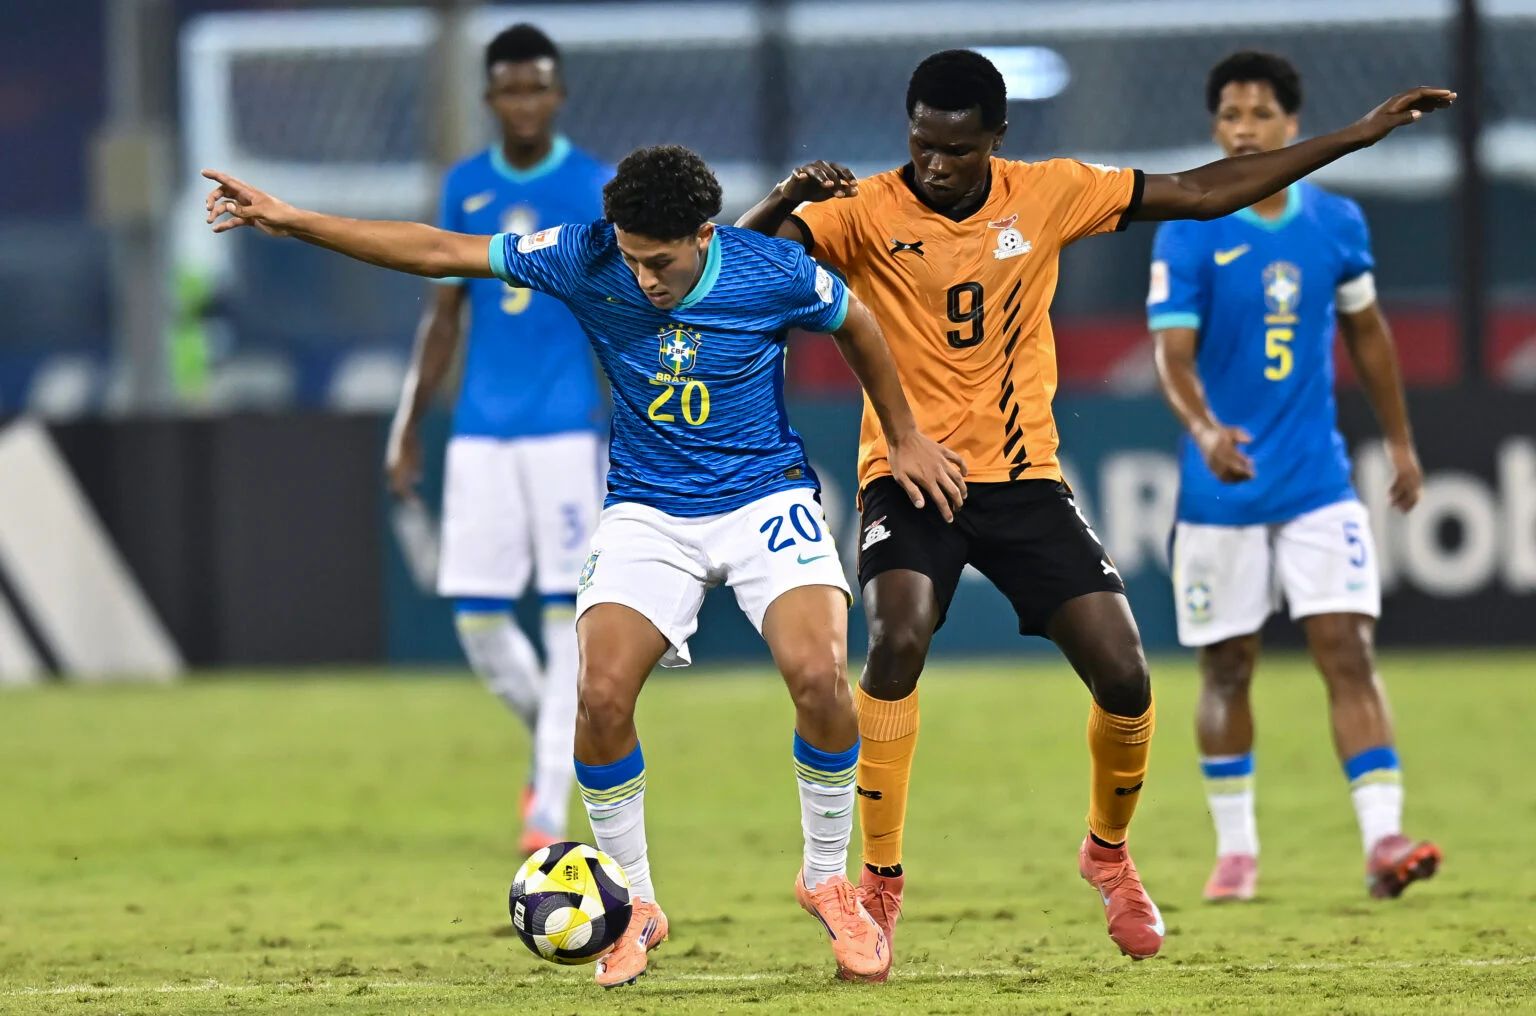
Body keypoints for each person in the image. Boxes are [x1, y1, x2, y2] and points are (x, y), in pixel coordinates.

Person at [736, 47, 1451, 965]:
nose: (935, 165)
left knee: (1126, 675)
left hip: (1026, 480)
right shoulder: (864, 208)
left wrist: (1354, 136)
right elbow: (740, 267)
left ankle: (1108, 857)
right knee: (899, 635)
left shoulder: (1051, 192)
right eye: (921, 145)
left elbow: (1200, 191)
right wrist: (786, 201)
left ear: (998, 136)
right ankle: (879, 879)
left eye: (956, 148)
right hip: (909, 477)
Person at [203, 143, 966, 987]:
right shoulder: (585, 253)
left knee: (821, 679)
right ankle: (635, 903)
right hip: (647, 510)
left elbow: (857, 321)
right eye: (632, 258)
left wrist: (903, 436)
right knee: (599, 696)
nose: (643, 278)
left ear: (705, 235)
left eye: (661, 260)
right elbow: (438, 250)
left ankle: (827, 877)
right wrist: (293, 219)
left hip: (764, 498)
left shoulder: (774, 269)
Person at [1148, 51, 1440, 902]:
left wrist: (1402, 442)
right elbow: (1171, 355)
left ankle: (1385, 842)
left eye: (1259, 115)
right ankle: (1236, 852)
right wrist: (1204, 429)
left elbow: (1369, 333)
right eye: (1229, 116)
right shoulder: (1188, 226)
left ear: (1290, 125)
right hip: (1222, 491)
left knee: (1347, 651)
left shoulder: (1336, 221)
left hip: (1318, 481)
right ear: (1215, 128)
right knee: (1228, 668)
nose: (1242, 130)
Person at [385, 24, 612, 855]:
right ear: (490, 99)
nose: (524, 102)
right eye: (510, 89)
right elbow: (442, 316)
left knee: (566, 621)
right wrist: (409, 425)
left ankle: (547, 808)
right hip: (479, 431)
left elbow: (623, 313)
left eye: (537, 87)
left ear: (558, 95)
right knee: (479, 624)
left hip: (565, 435)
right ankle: (553, 743)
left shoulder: (595, 186)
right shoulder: (465, 186)